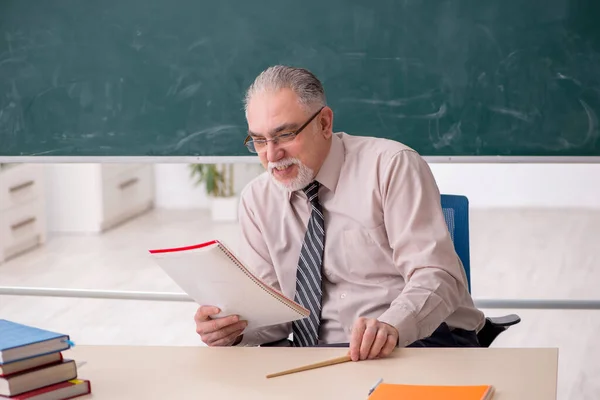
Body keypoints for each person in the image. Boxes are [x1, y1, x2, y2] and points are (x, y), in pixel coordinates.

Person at [194, 65, 486, 361]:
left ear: (324, 123)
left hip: (416, 341)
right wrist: (234, 330)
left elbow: (437, 274)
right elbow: (274, 315)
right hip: (315, 357)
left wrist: (391, 326)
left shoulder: (391, 166)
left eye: (284, 135)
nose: (271, 155)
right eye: (259, 140)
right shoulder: (257, 199)